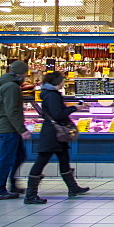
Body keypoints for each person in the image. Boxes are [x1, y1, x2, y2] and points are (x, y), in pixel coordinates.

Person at [24, 71, 90, 203]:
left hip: (56, 134)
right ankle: (30, 194)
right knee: (41, 161)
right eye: (62, 80)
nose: (63, 83)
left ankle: (73, 188)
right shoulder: (52, 96)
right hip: (52, 134)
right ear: (58, 82)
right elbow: (57, 114)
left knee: (64, 159)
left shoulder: (49, 94)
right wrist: (75, 108)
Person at [0, 61, 32, 199]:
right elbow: (12, 111)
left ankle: (12, 184)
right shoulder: (11, 87)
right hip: (9, 129)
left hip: (10, 128)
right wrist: (22, 130)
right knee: (7, 159)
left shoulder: (9, 84)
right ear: (22, 73)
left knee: (19, 156)